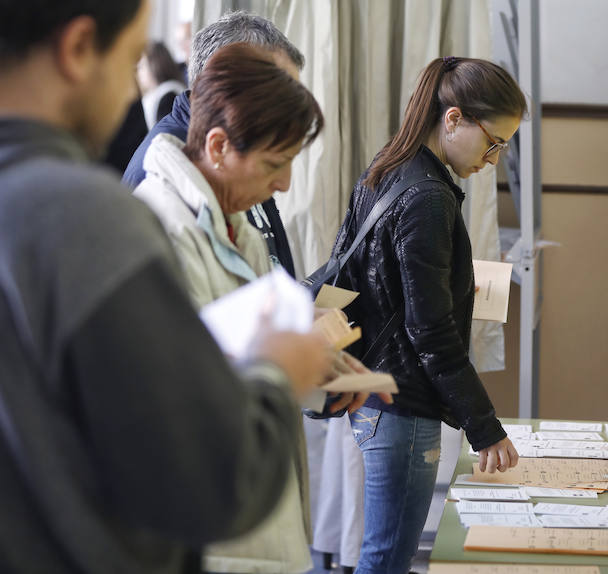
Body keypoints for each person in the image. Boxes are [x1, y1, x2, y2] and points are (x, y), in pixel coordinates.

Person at [0, 1, 332, 573]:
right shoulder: (86, 220)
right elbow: (208, 484)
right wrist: (276, 372)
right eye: (135, 59)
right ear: (79, 47)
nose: (134, 94)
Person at [133, 42, 384, 573]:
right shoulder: (157, 232)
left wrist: (323, 379)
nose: (285, 184)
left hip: (261, 520)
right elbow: (187, 404)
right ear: (219, 145)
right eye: (275, 163)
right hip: (213, 538)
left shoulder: (237, 227)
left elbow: (251, 348)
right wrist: (285, 370)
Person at [331, 56, 527, 573]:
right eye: (494, 143)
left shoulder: (389, 167)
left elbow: (377, 286)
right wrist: (484, 426)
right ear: (455, 118)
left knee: (382, 553)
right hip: (403, 405)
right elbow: (431, 332)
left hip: (374, 396)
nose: (494, 159)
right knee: (388, 558)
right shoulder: (428, 197)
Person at [123, 11, 300, 278]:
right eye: (279, 96)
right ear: (222, 84)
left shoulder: (243, 143)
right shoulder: (157, 174)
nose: (283, 183)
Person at [137, 41, 186, 129]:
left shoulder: (168, 95)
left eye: (142, 66)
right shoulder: (161, 92)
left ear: (154, 65)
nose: (139, 73)